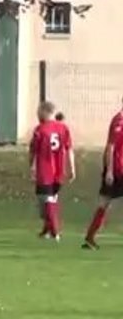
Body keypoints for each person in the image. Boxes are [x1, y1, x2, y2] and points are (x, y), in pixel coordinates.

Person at [29, 101, 75, 240]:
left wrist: (31, 166)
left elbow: (33, 151)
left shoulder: (40, 129)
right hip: (59, 170)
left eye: (39, 112)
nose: (37, 115)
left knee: (45, 201)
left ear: (45, 112)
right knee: (53, 198)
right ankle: (47, 230)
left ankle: (55, 231)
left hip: (45, 170)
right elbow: (69, 149)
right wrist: (72, 168)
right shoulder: (63, 128)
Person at [83, 97, 123, 249]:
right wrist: (110, 171)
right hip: (116, 169)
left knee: (105, 203)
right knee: (104, 203)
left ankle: (90, 237)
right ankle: (90, 237)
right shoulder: (118, 121)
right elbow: (111, 147)